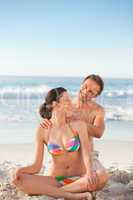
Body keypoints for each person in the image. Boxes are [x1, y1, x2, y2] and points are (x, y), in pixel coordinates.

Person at [11, 87, 101, 200]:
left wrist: (89, 172)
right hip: (57, 180)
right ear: (55, 104)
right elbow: (36, 166)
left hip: (79, 178)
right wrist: (19, 170)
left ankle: (53, 193)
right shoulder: (43, 130)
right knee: (21, 180)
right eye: (67, 100)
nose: (71, 103)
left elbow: (87, 154)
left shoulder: (78, 125)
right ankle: (70, 195)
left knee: (101, 176)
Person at [40, 74, 108, 191]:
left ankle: (61, 191)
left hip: (86, 157)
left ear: (96, 95)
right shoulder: (66, 103)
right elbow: (50, 112)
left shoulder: (98, 110)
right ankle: (72, 188)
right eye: (85, 86)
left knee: (102, 177)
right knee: (45, 180)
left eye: (91, 92)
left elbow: (99, 132)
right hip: (63, 156)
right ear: (81, 84)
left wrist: (80, 124)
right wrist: (45, 121)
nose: (86, 92)